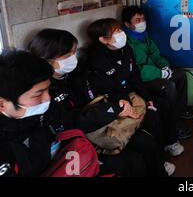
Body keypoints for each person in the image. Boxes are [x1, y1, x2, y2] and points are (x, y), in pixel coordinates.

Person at [28, 28, 150, 177]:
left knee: (145, 138)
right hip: (78, 142)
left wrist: (121, 102)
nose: (73, 58)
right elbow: (71, 121)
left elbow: (102, 91)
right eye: (67, 55)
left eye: (74, 52)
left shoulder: (77, 75)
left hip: (101, 125)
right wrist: (113, 109)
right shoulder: (43, 92)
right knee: (132, 160)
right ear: (46, 59)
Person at [86, 18, 184, 174]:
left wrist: (147, 98)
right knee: (152, 117)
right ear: (103, 39)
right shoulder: (95, 61)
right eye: (115, 32)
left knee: (161, 105)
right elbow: (107, 91)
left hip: (133, 94)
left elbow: (135, 77)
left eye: (120, 30)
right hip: (117, 103)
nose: (121, 34)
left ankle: (169, 143)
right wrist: (128, 105)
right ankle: (160, 160)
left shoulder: (125, 50)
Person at [121, 5, 193, 141]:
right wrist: (160, 73)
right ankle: (175, 125)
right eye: (137, 20)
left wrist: (165, 68)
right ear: (127, 24)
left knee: (181, 75)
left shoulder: (145, 38)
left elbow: (157, 56)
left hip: (156, 73)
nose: (142, 22)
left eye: (142, 18)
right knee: (169, 86)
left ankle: (180, 109)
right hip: (143, 80)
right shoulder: (127, 44)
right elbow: (137, 70)